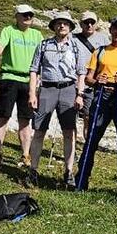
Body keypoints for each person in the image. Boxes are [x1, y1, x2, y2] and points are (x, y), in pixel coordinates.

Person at [75, 16, 117, 192]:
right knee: (92, 139)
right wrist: (97, 80)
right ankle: (81, 182)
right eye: (116, 28)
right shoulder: (100, 51)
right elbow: (88, 78)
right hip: (102, 95)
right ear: (110, 30)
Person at [26, 10, 90, 188]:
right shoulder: (44, 45)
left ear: (70, 27)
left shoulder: (76, 47)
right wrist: (32, 93)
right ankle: (33, 170)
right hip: (47, 89)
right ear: (54, 26)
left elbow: (81, 73)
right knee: (39, 130)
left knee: (69, 131)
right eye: (59, 23)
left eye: (65, 23)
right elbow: (34, 70)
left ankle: (68, 172)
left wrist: (80, 94)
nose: (62, 26)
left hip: (68, 89)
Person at [0, 4, 41, 170]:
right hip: (9, 78)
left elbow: (42, 55)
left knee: (25, 120)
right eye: (24, 14)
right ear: (16, 16)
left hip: (29, 81)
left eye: (30, 14)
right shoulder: (8, 30)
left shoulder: (37, 35)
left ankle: (25, 155)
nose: (27, 17)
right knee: (4, 116)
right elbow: (0, 45)